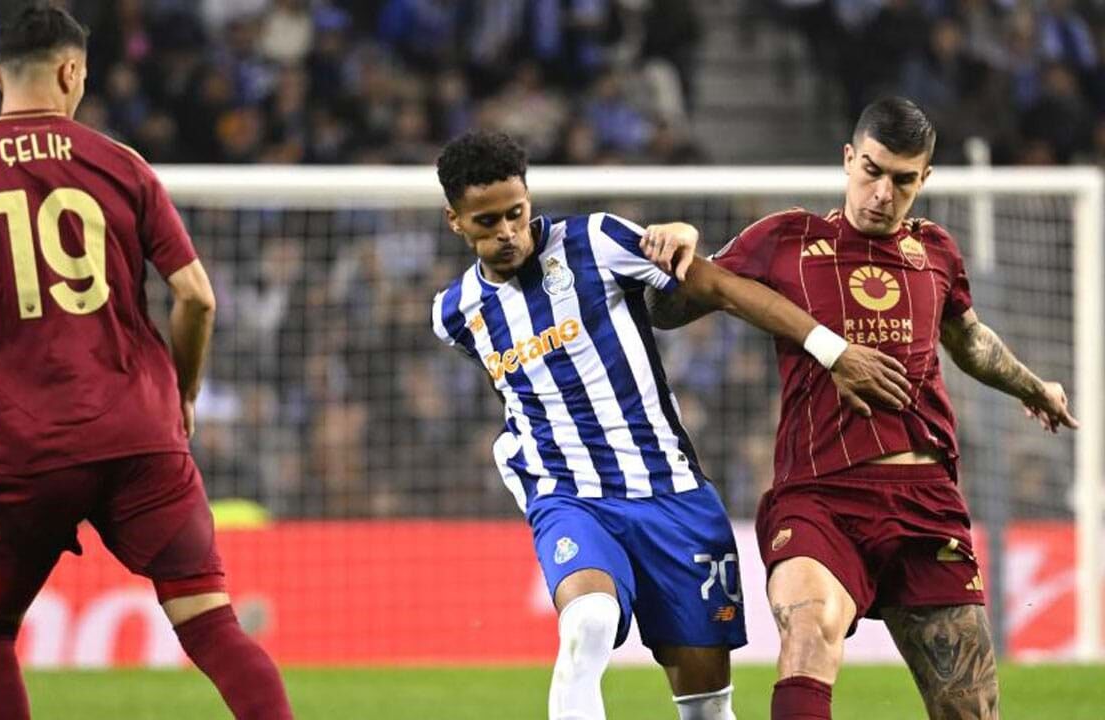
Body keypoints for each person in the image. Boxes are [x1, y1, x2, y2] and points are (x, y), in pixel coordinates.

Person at [0, 6, 292, 719]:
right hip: (142, 436)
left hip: (29, 445)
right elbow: (197, 297)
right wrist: (183, 393)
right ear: (71, 72)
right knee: (211, 625)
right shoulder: (122, 163)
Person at [430, 130, 910, 720]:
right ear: (455, 221)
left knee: (705, 707)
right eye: (487, 222)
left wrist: (831, 350)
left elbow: (722, 289)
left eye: (516, 213)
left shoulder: (595, 240)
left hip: (672, 494)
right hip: (571, 496)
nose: (507, 232)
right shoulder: (454, 313)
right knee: (588, 622)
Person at [646, 96, 1078, 720]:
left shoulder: (936, 251)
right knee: (808, 632)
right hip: (820, 494)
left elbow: (968, 340)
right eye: (872, 171)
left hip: (924, 502)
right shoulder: (787, 239)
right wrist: (679, 247)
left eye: (903, 180)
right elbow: (670, 309)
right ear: (849, 158)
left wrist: (1033, 387)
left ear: (924, 179)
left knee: (970, 707)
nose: (882, 193)